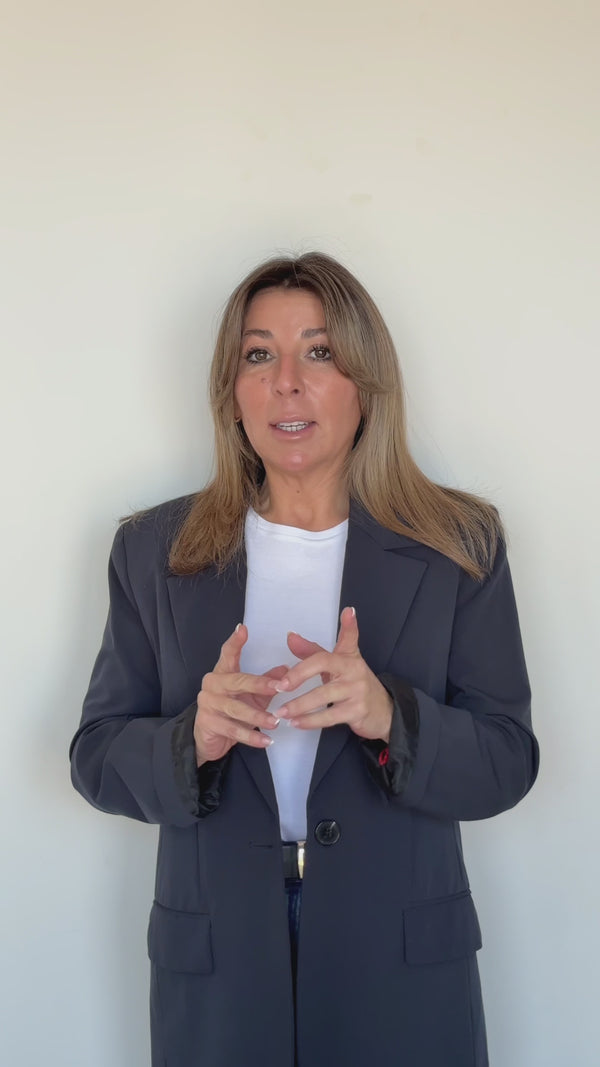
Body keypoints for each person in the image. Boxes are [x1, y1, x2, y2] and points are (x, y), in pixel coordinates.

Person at [70, 252, 539, 1067]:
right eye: (259, 354)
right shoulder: (152, 551)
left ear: (366, 382)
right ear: (232, 390)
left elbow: (507, 759)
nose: (287, 381)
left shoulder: (459, 545)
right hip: (220, 965)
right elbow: (96, 755)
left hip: (396, 962)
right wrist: (190, 740)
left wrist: (389, 715)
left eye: (319, 351)